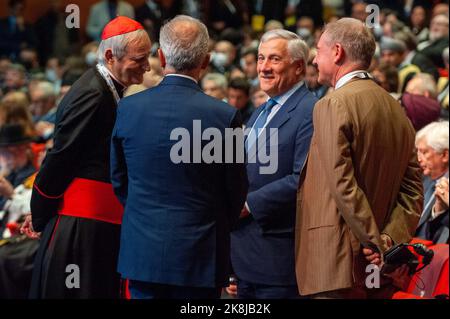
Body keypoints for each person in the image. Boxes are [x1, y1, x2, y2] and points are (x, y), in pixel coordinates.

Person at [111, 15, 248, 299]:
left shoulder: (128, 109)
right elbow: (235, 191)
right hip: (199, 255)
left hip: (142, 254)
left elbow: (119, 180)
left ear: (161, 56)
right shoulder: (224, 117)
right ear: (206, 61)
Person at [23, 16, 151, 299]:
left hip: (94, 223)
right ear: (110, 56)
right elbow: (60, 159)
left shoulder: (105, 88)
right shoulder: (93, 94)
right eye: (139, 59)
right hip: (82, 227)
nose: (148, 66)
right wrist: (40, 215)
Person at [295, 18, 423, 299]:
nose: (315, 59)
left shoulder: (331, 103)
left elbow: (343, 183)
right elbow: (414, 189)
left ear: (337, 52)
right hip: (376, 269)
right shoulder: (396, 108)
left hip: (336, 262)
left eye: (319, 50)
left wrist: (374, 242)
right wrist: (389, 241)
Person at [230, 29, 317, 299]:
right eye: (260, 58)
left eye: (274, 59)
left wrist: (246, 205)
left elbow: (301, 178)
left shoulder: (311, 111)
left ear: (299, 67)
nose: (264, 68)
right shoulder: (259, 111)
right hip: (244, 257)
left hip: (277, 260)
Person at [415, 121, 449, 244]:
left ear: (444, 155)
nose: (418, 158)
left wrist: (439, 211)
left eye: (424, 152)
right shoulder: (424, 179)